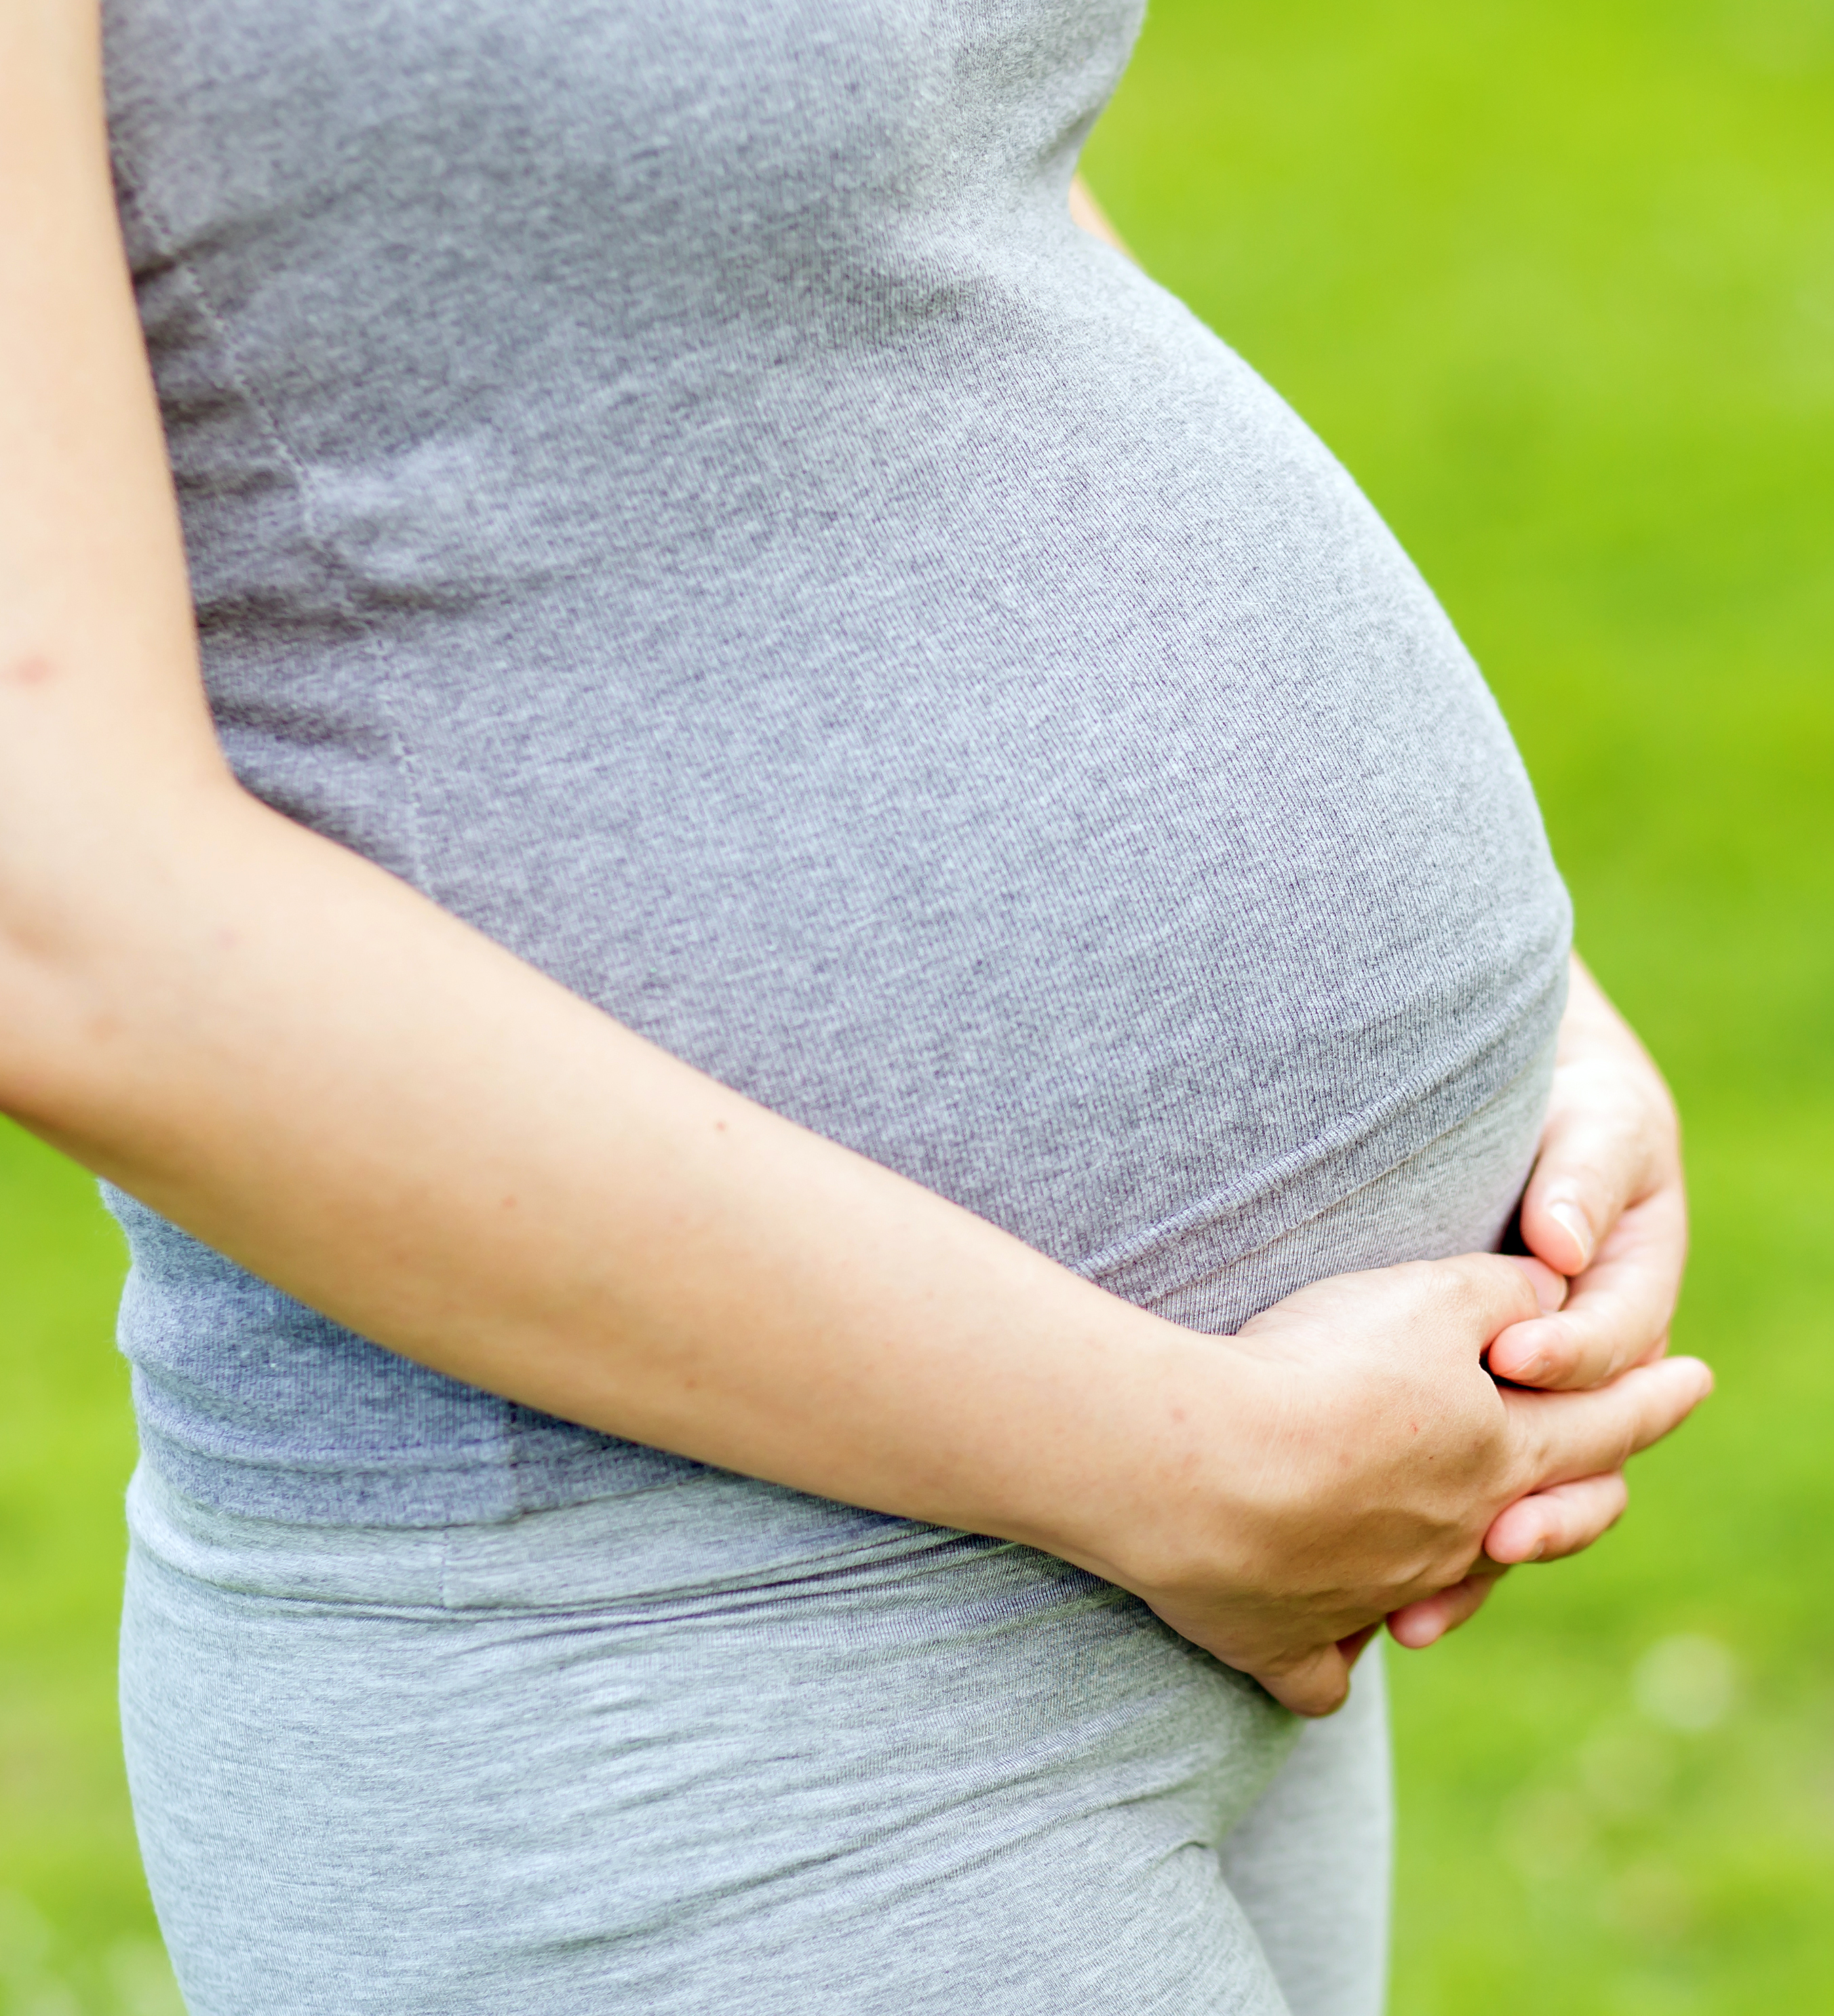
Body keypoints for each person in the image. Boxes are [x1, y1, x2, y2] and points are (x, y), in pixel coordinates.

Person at [0, 0, 1710, 2009]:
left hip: (1177, 1505)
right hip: (678, 1644)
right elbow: (64, 911)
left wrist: (1535, 1019)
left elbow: (913, 227)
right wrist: (1181, 1466)